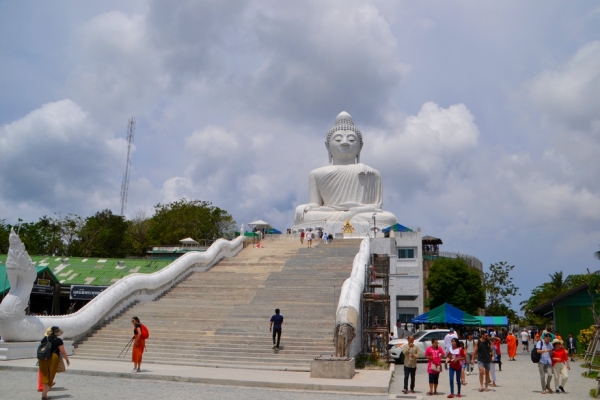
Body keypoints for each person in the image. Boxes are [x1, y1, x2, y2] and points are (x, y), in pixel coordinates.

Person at [294, 111, 397, 229]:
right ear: (327, 146)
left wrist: (354, 211)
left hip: (361, 214)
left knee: (390, 218)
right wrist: (306, 207)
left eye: (351, 140)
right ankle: (349, 217)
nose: (344, 143)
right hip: (330, 213)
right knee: (303, 217)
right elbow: (315, 204)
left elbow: (376, 207)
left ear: (360, 146)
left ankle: (350, 217)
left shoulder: (372, 173)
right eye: (338, 140)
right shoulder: (316, 174)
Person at [38, 326, 70, 400]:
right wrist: (67, 359)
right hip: (53, 358)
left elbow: (42, 348)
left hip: (43, 358)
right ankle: (44, 395)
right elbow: (63, 351)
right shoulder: (58, 340)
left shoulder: (44, 339)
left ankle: (44, 393)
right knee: (50, 376)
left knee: (45, 375)